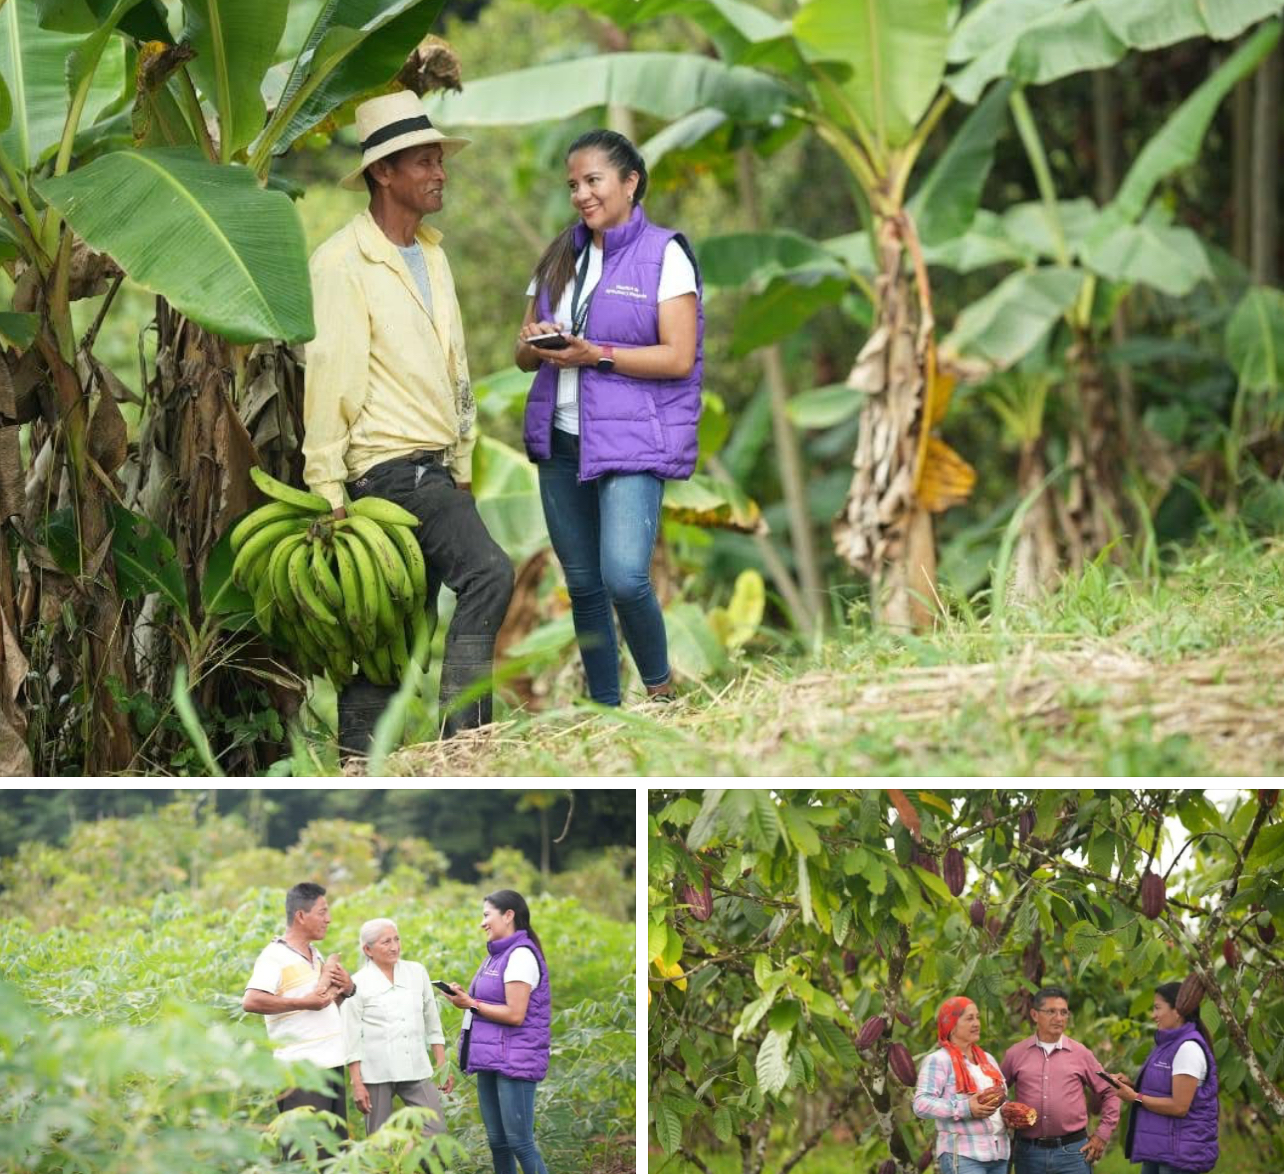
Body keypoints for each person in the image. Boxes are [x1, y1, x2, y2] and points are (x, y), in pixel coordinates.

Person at [303, 89, 514, 754]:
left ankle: (356, 763)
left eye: (439, 161)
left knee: (395, 625)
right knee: (489, 573)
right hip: (387, 469)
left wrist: (463, 464)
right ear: (383, 173)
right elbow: (332, 373)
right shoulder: (342, 262)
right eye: (423, 162)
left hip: (433, 466)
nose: (439, 173)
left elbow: (456, 366)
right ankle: (464, 741)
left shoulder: (433, 254)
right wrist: (327, 487)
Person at [515, 129, 703, 707]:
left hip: (632, 441)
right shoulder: (560, 255)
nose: (581, 195)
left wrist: (592, 352)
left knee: (624, 576)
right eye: (573, 184)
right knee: (584, 586)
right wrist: (536, 342)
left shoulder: (664, 255)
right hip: (562, 437)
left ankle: (662, 694)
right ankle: (606, 711)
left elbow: (677, 356)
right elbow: (522, 357)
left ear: (630, 182)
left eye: (593, 180)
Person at [441, 890, 551, 1174]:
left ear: (509, 915)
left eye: (486, 915)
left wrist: (472, 1004)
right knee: (498, 1143)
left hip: (515, 1062)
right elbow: (485, 1004)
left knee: (520, 1143)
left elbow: (515, 1014)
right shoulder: (495, 956)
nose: (483, 923)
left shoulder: (521, 956)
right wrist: (464, 999)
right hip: (490, 1058)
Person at [243, 882, 356, 1148]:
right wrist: (304, 1002)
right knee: (304, 1154)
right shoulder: (274, 957)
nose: (328, 919)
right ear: (301, 916)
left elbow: (322, 1006)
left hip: (330, 1066)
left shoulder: (316, 956)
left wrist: (346, 990)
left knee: (333, 1154)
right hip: (300, 1072)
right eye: (322, 912)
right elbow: (251, 1000)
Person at [342, 918, 454, 1140]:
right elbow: (351, 1036)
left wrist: (442, 1066)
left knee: (436, 1132)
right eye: (386, 942)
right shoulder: (357, 983)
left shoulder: (416, 972)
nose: (394, 947)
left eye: (396, 939)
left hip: (416, 1067)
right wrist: (357, 1083)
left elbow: (432, 1021)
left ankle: (407, 1160)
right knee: (379, 1142)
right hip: (376, 1072)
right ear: (368, 949)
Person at [1000, 985, 1121, 1172]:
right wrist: (1007, 1111)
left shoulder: (1081, 1054)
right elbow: (998, 1093)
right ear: (1034, 1015)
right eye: (1051, 1012)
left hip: (1073, 1152)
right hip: (1029, 1152)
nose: (1059, 1018)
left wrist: (1102, 1135)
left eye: (1064, 1012)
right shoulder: (1015, 1054)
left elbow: (1109, 1090)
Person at [1113, 980, 1219, 1174]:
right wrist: (1133, 1087)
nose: (1153, 1015)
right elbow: (1161, 1090)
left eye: (1157, 1008)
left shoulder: (1188, 1048)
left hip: (1180, 1154)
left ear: (1177, 1011)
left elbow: (1179, 1106)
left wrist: (1135, 1097)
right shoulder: (1167, 1044)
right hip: (1160, 1148)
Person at [912, 996, 1010, 1174]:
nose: (977, 1023)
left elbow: (1001, 1099)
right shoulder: (939, 1060)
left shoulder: (988, 1060)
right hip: (964, 1155)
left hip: (998, 1153)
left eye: (978, 1017)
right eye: (969, 1018)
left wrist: (1012, 1113)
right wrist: (964, 1108)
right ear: (952, 1025)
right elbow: (921, 1104)